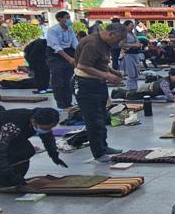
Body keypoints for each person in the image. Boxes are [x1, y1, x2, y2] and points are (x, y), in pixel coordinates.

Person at [0, 107, 66, 188]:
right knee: (8, 155)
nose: (47, 130)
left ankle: (13, 178)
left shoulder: (42, 117)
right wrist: (10, 175)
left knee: (27, 150)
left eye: (50, 128)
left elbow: (47, 137)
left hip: (3, 133)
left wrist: (54, 156)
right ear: (34, 122)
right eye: (44, 128)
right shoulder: (12, 127)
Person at [74, 23, 127, 162]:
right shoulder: (92, 44)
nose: (117, 43)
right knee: (94, 121)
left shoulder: (104, 43)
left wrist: (112, 71)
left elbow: (100, 63)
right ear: (111, 34)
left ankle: (103, 146)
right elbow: (83, 66)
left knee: (102, 117)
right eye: (117, 39)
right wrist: (107, 76)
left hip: (98, 84)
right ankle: (98, 153)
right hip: (87, 85)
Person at [45, 11, 79, 109]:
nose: (69, 20)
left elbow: (75, 43)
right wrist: (69, 59)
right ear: (59, 19)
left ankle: (68, 102)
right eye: (66, 18)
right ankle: (60, 103)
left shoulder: (70, 29)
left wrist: (81, 53)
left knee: (68, 79)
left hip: (68, 52)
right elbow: (56, 47)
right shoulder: (53, 30)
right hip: (55, 55)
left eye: (69, 17)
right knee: (58, 79)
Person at [111, 67, 175, 103]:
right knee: (131, 95)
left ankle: (118, 92)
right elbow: (167, 92)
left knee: (134, 94)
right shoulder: (165, 82)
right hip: (147, 89)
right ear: (170, 75)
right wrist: (174, 99)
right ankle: (116, 93)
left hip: (152, 92)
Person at [119, 20, 143, 91]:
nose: (132, 27)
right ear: (126, 26)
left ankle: (135, 89)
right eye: (131, 26)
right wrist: (133, 45)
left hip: (135, 54)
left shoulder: (133, 34)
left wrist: (138, 45)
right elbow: (121, 44)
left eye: (133, 26)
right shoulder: (124, 34)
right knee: (131, 73)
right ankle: (131, 89)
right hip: (129, 55)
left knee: (136, 73)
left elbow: (138, 43)